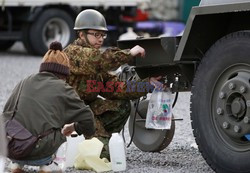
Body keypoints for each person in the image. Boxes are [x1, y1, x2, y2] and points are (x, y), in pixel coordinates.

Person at [63, 9, 162, 160]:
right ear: (81, 34)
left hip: (85, 112)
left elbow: (116, 88)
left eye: (102, 35)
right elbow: (99, 60)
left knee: (122, 106)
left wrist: (147, 84)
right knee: (103, 156)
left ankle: (96, 137)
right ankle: (77, 140)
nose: (100, 39)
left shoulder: (96, 64)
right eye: (96, 34)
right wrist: (128, 53)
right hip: (67, 113)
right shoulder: (73, 53)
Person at [2, 41, 95, 173]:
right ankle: (47, 166)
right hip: (39, 151)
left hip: (10, 146)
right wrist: (77, 128)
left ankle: (17, 165)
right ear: (64, 73)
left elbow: (6, 114)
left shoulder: (25, 81)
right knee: (59, 130)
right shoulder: (64, 88)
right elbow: (87, 116)